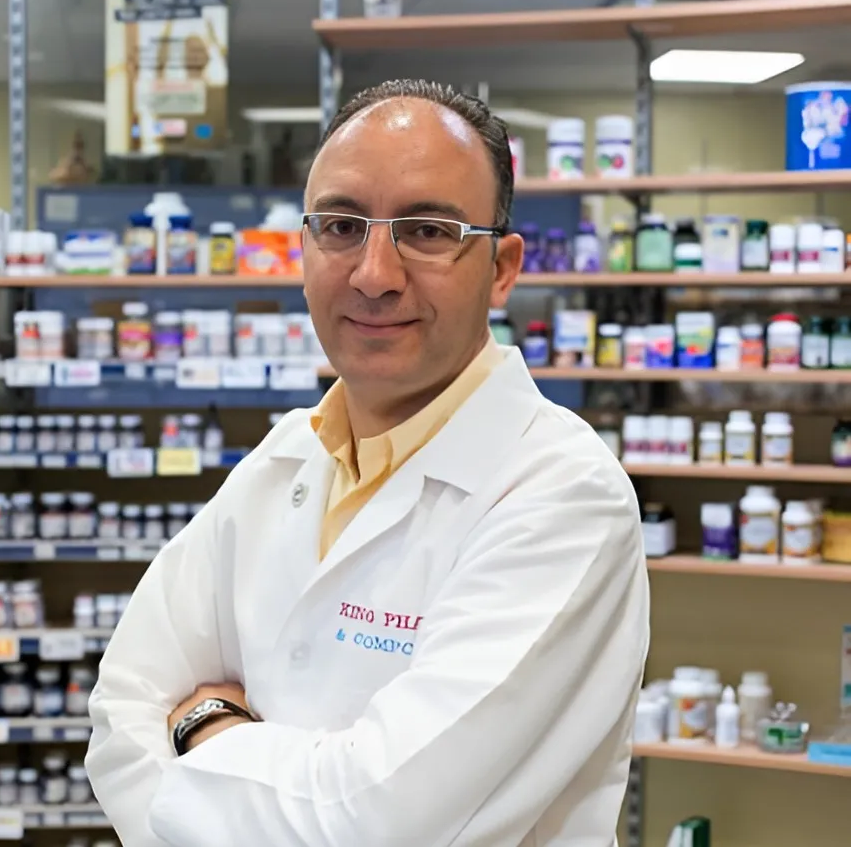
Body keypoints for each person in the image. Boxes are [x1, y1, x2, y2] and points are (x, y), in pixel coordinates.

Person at [86, 79, 650, 847]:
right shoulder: (284, 459)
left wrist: (203, 725)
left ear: (503, 267)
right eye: (342, 226)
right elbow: (121, 713)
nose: (374, 274)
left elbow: (378, 825)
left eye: (426, 231)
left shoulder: (562, 495)